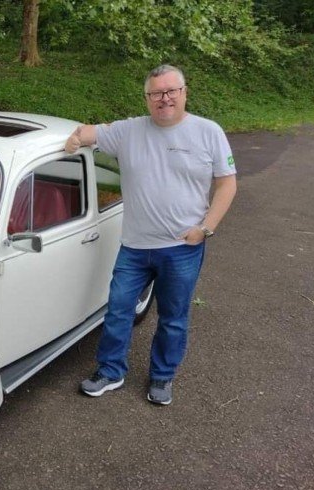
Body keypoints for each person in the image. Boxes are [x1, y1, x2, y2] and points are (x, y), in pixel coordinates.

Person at [64, 64, 237, 405]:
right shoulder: (128, 131)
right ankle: (111, 371)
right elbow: (86, 133)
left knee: (173, 318)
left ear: (185, 92)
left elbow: (227, 182)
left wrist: (206, 228)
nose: (165, 98)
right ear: (146, 98)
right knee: (117, 310)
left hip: (182, 247)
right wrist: (73, 140)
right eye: (156, 93)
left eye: (172, 91)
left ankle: (161, 377)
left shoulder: (208, 132)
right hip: (135, 246)